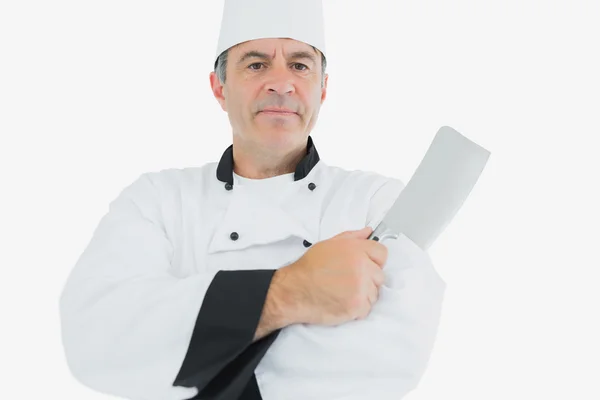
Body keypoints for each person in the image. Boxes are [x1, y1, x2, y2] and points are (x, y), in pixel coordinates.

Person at [58, 0, 446, 399]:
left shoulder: (374, 201)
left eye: (300, 65)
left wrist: (188, 352)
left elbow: (393, 355)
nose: (282, 82)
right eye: (256, 64)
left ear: (323, 88)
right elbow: (96, 335)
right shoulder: (157, 200)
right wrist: (293, 289)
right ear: (219, 88)